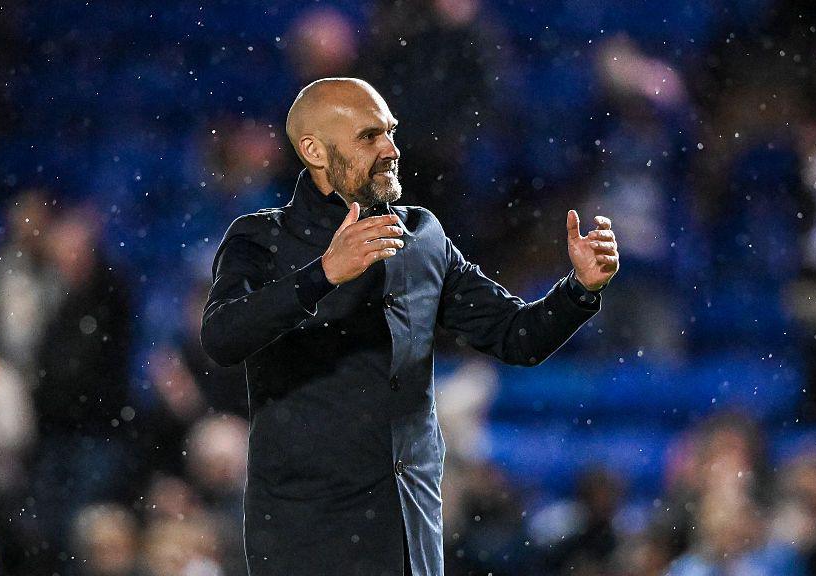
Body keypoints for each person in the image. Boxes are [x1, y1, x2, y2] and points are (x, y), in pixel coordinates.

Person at [200, 77, 620, 576]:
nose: (391, 149)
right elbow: (222, 336)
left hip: (411, 531)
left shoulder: (422, 235)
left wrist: (579, 289)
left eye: (390, 132)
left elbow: (516, 336)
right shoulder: (261, 238)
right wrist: (324, 274)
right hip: (309, 538)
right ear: (314, 151)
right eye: (369, 136)